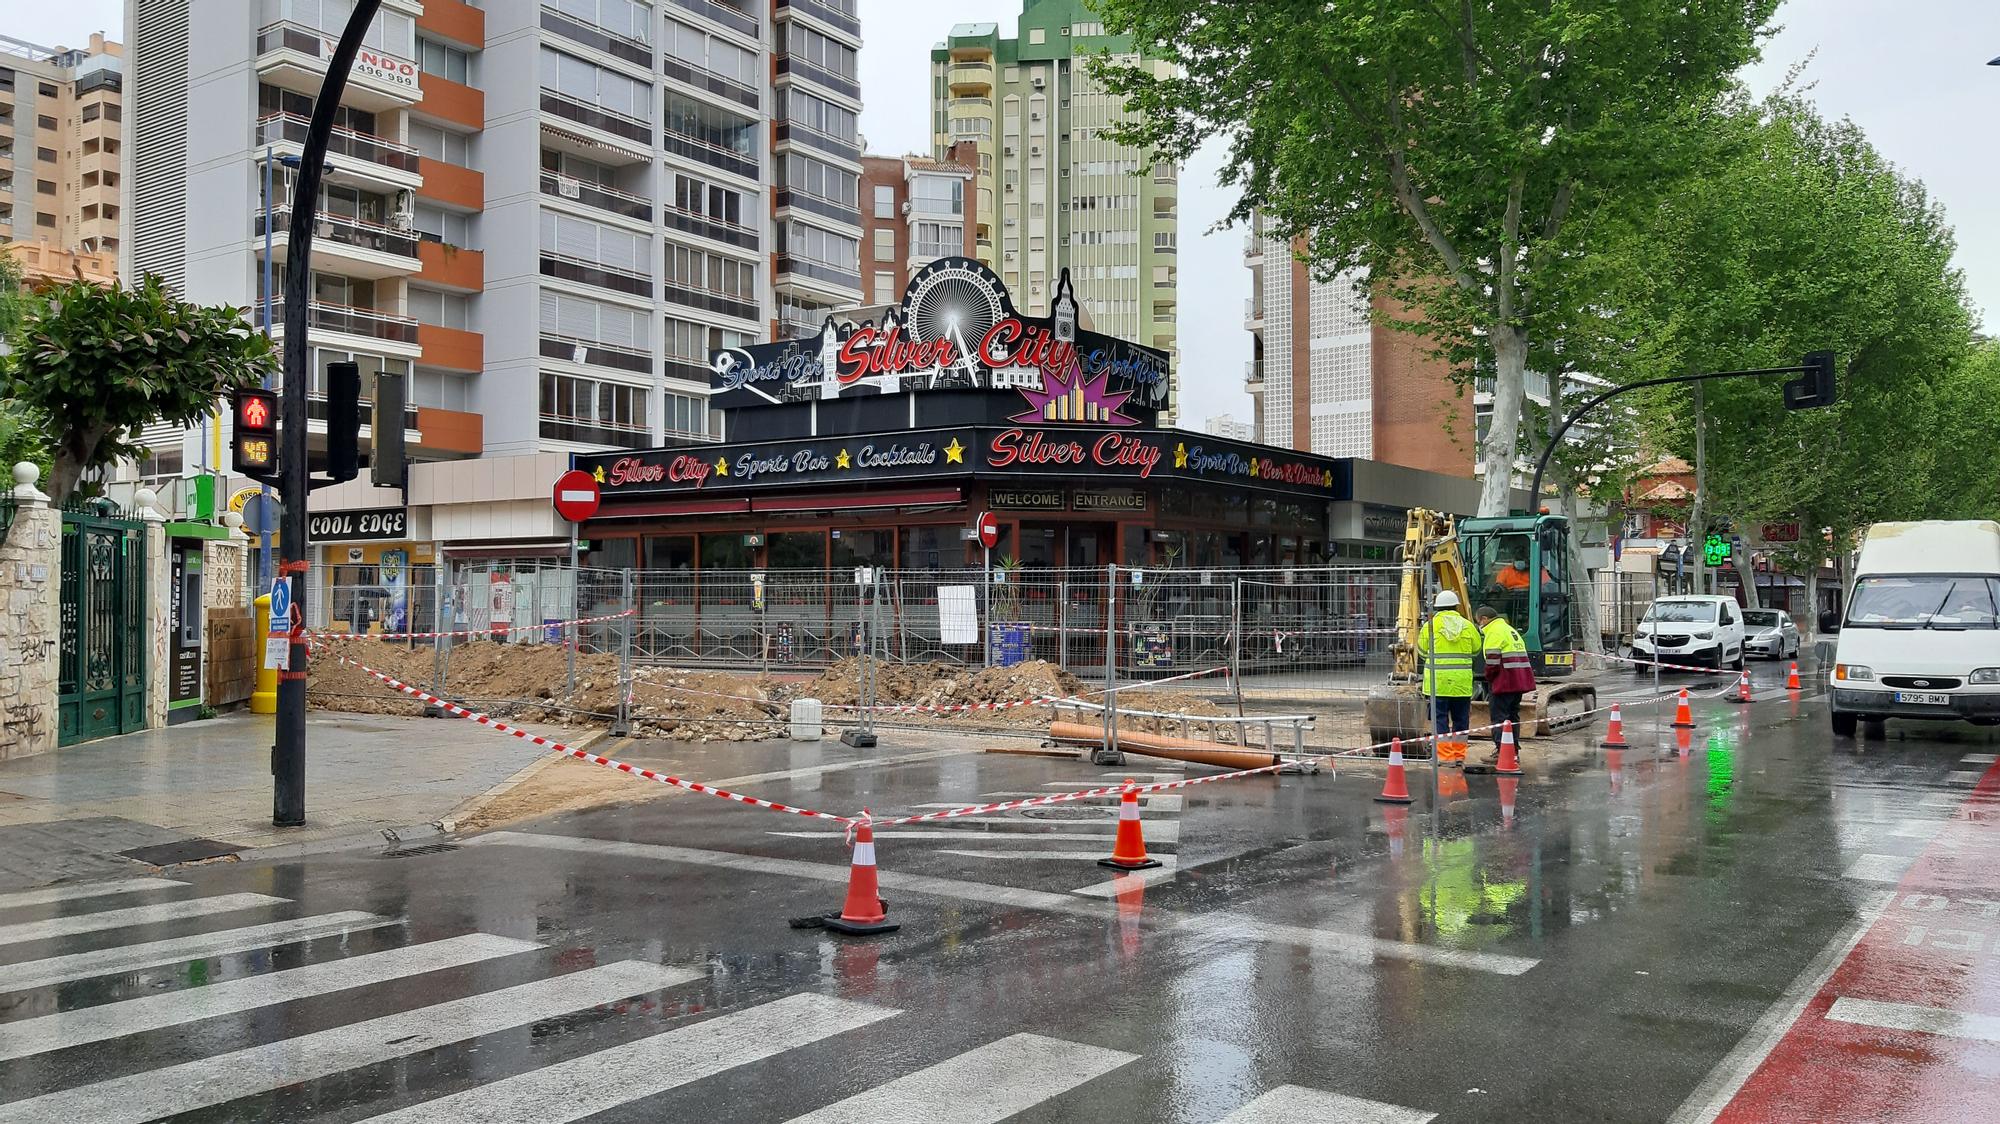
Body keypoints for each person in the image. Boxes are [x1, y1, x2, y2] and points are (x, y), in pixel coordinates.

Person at [1417, 590, 1481, 766]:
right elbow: (1476, 650)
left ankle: (1444, 757)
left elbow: (1422, 651)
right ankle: (1459, 756)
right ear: (1456, 605)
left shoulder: (1430, 626)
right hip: (1461, 683)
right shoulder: (1468, 626)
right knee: (1461, 720)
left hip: (1438, 683)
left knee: (1439, 720)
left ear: (1437, 607)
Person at [1474, 604, 1537, 766]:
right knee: (1512, 716)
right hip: (1519, 681)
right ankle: (1513, 750)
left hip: (1504, 682)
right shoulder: (1510, 630)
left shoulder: (1494, 632)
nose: (1479, 625)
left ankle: (1501, 750)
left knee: (1499, 717)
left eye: (1478, 622)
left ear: (1484, 619)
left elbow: (1493, 662)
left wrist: (1488, 678)